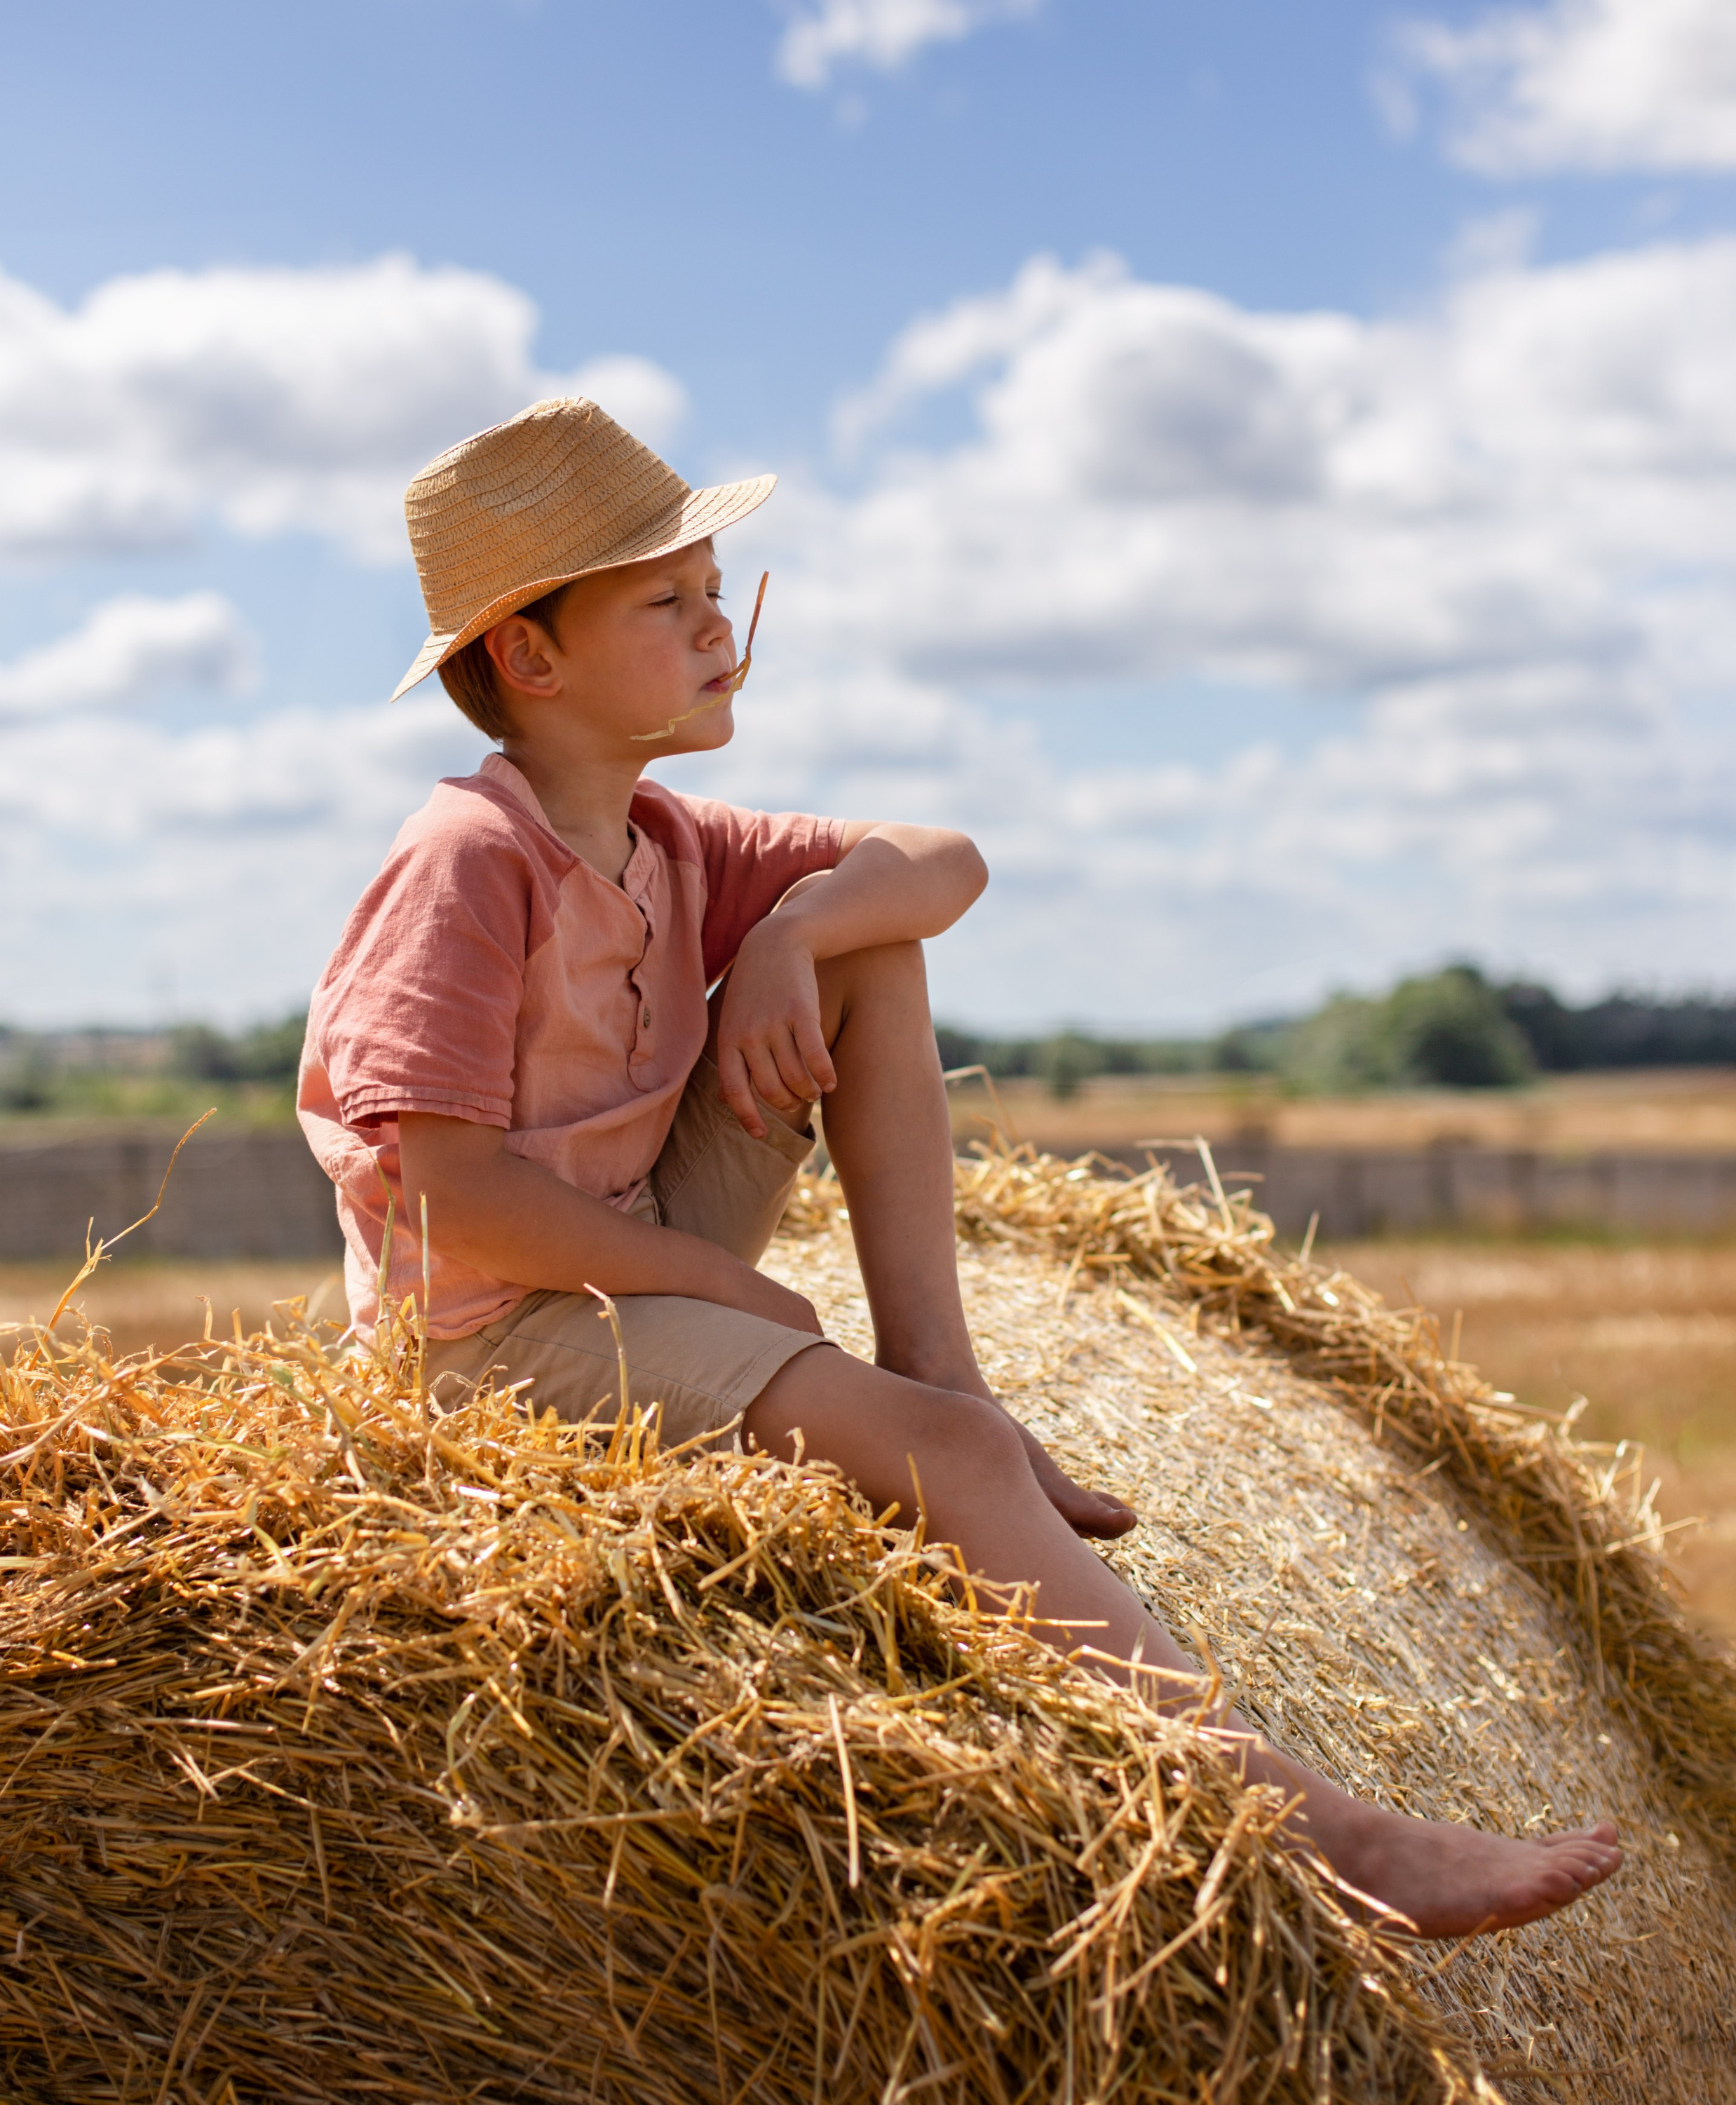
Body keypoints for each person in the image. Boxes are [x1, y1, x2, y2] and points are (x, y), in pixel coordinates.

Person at [299, 395, 1621, 1940]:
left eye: (718, 589)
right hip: (488, 1339)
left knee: (875, 944)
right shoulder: (466, 857)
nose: (719, 625)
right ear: (530, 655)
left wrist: (791, 932)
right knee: (953, 1462)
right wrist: (714, 1280)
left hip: (631, 1246)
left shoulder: (669, 838)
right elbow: (452, 1193)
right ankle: (1318, 1832)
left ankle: (941, 1364)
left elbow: (949, 860)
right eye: (666, 600)